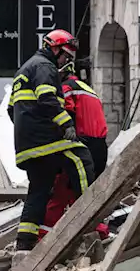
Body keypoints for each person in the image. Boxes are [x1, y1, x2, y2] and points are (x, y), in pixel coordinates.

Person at [9, 29, 96, 251]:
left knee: (38, 190)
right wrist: (66, 124)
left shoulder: (24, 69)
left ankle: (24, 243)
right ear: (55, 48)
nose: (66, 61)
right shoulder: (44, 67)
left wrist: (28, 131)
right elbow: (47, 98)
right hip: (46, 139)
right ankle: (92, 214)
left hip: (27, 145)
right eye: (65, 55)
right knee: (81, 157)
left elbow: (11, 110)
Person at [42, 60, 111, 238]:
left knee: (61, 191)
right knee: (87, 191)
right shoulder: (89, 89)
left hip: (81, 144)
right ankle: (97, 232)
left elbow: (65, 115)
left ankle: (44, 237)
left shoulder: (66, 88)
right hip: (100, 146)